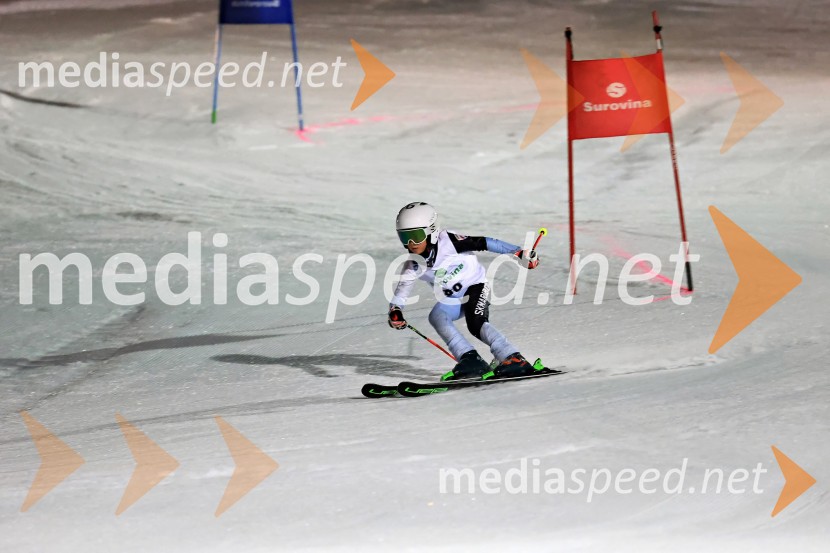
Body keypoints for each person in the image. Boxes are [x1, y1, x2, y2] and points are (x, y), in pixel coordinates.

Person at [388, 201, 540, 381]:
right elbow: (402, 291)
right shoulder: (413, 265)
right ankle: (470, 360)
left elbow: (484, 242)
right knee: (437, 317)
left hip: (476, 285)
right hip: (453, 298)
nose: (411, 243)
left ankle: (512, 357)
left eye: (416, 235)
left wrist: (519, 253)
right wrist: (395, 311)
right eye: (405, 237)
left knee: (475, 322)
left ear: (431, 230)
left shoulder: (449, 242)